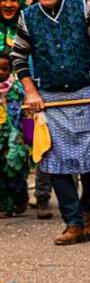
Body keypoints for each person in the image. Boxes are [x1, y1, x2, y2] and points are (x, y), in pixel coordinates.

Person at [12, 0, 90, 245]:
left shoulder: (81, 8)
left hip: (84, 93)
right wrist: (32, 93)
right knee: (54, 162)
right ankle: (73, 222)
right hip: (50, 99)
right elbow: (18, 58)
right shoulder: (27, 17)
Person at [0, 0, 49, 219]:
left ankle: (20, 195)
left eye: (13, 0)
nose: (8, 4)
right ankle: (5, 201)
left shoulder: (27, 26)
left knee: (17, 149)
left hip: (22, 97)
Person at [0, 52, 28, 216]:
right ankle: (5, 205)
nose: (1, 72)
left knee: (13, 167)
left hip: (15, 135)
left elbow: (26, 114)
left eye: (5, 69)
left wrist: (29, 137)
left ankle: (20, 198)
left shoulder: (18, 90)